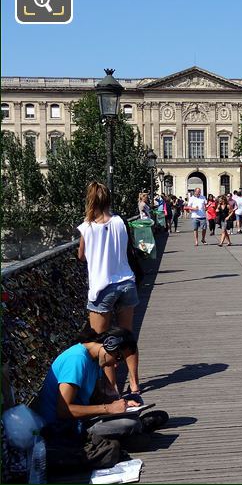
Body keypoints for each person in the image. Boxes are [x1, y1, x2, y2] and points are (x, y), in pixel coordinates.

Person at [37, 326, 168, 449]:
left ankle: (129, 432)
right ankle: (133, 430)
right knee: (130, 424)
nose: (116, 365)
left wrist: (123, 404)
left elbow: (94, 397)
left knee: (136, 399)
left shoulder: (94, 359)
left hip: (79, 418)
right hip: (62, 427)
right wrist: (109, 408)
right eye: (118, 357)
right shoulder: (76, 360)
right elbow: (63, 410)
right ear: (109, 345)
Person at [77, 182, 140, 398]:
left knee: (102, 340)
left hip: (102, 287)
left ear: (91, 201)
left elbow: (81, 255)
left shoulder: (87, 227)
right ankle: (134, 383)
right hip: (126, 283)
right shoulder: (120, 222)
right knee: (127, 336)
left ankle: (112, 388)